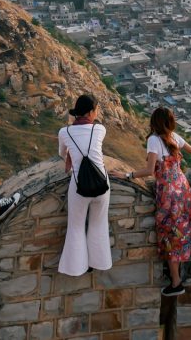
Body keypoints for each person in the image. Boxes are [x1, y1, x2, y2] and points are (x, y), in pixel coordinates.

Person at [112, 106, 191, 296]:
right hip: (183, 191)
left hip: (168, 195)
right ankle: (181, 274)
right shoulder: (174, 137)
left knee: (169, 236)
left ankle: (176, 282)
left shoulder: (154, 140)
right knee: (182, 233)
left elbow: (149, 171)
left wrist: (126, 174)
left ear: (154, 122)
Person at [57, 94, 112, 276]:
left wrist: (71, 156)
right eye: (96, 110)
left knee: (76, 226)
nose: (97, 113)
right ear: (90, 112)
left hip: (79, 186)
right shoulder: (100, 130)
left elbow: (62, 153)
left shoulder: (64, 132)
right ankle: (99, 262)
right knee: (98, 224)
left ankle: (77, 267)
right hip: (102, 184)